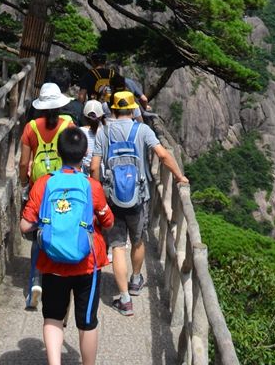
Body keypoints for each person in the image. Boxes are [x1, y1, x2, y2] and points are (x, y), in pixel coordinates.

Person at [90, 89, 188, 317]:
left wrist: (97, 193)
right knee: (138, 240)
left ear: (113, 109)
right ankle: (135, 281)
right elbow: (163, 155)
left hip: (112, 198)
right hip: (139, 197)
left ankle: (124, 300)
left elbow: (94, 166)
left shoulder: (104, 132)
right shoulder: (142, 130)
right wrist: (179, 176)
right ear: (133, 109)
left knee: (117, 246)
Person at [21, 128, 114, 365]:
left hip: (52, 262)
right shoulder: (91, 186)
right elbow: (108, 222)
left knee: (53, 317)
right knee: (87, 322)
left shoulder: (44, 183)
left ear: (59, 152)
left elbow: (25, 225)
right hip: (87, 264)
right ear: (84, 153)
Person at [19, 81, 75, 309]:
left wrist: (25, 183)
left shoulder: (31, 127)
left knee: (37, 235)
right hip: (63, 185)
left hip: (39, 186)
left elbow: (24, 163)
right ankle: (60, 277)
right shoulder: (68, 124)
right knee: (61, 228)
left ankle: (36, 281)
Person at [80, 99, 105, 177]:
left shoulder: (79, 132)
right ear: (101, 116)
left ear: (84, 116)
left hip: (84, 176)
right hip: (101, 174)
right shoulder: (106, 132)